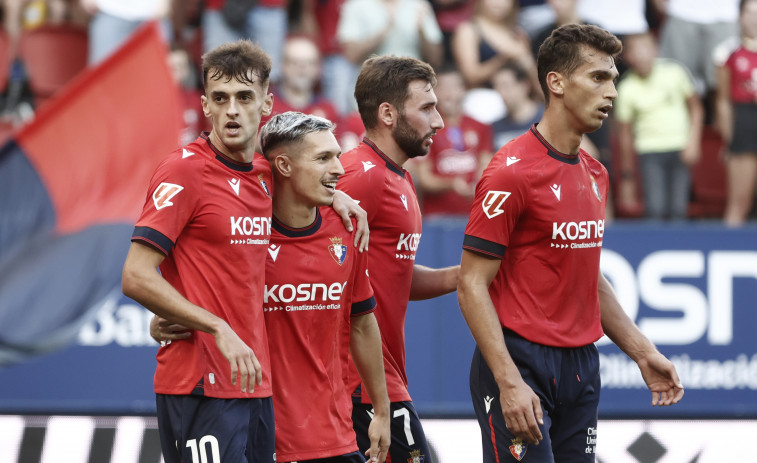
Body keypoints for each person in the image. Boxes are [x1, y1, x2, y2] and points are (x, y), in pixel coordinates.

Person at [122, 39, 367, 463]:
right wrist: (215, 326)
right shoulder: (184, 171)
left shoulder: (264, 174)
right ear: (205, 106)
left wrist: (336, 197)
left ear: (266, 104)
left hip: (255, 386)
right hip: (199, 384)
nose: (232, 109)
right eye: (220, 98)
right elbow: (136, 275)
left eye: (243, 97)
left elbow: (309, 175)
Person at [457, 24, 684, 462]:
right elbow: (471, 284)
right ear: (556, 83)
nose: (612, 92)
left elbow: (588, 276)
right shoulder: (511, 171)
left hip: (581, 365)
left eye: (614, 79)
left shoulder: (595, 173)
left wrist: (642, 352)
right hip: (519, 360)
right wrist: (508, 381)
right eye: (599, 77)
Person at [337, 55, 459, 463]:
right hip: (359, 382)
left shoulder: (399, 176)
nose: (438, 121)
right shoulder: (359, 175)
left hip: (380, 379)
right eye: (426, 108)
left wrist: (464, 276)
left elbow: (392, 275)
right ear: (387, 113)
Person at [258, 111, 390, 463]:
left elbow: (362, 321)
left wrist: (381, 409)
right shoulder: (245, 234)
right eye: (323, 158)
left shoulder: (347, 226)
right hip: (264, 440)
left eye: (336, 155)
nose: (339, 169)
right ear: (283, 166)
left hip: (337, 436)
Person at [615, 32, 703, 221]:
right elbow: (625, 134)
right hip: (649, 151)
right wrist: (627, 176)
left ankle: (679, 249)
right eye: (636, 51)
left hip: (680, 147)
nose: (642, 55)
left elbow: (696, 109)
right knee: (655, 209)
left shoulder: (675, 72)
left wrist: (693, 141)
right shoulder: (626, 88)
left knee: (679, 209)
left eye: (646, 48)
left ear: (655, 50)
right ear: (628, 57)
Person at [409, 66, 493, 217]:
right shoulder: (424, 128)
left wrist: (477, 186)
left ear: (463, 90)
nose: (449, 94)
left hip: (475, 214)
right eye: (443, 87)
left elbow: (486, 166)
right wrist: (452, 183)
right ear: (434, 93)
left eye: (454, 87)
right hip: (438, 217)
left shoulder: (480, 126)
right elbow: (424, 178)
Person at [715, 0, 757, 227]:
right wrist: (729, 141)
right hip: (745, 121)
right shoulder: (727, 51)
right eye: (749, 13)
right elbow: (723, 101)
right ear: (740, 17)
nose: (754, 19)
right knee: (739, 202)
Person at [451, 0, 537, 90]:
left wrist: (526, 61)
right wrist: (502, 59)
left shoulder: (518, 33)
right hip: (482, 94)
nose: (499, 2)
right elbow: (470, 76)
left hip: (518, 94)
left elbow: (535, 81)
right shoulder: (468, 30)